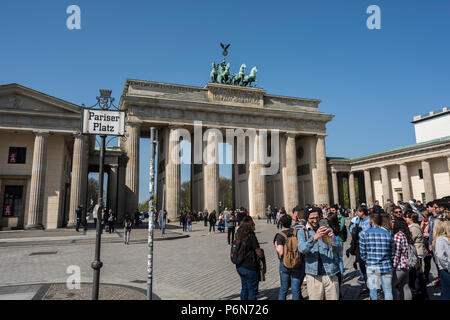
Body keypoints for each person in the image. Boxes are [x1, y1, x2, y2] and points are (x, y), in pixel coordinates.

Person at [297, 207, 340, 300]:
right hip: (313, 275)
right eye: (312, 218)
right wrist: (314, 238)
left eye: (317, 217)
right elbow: (302, 249)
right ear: (307, 218)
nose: (315, 220)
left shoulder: (326, 229)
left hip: (330, 273)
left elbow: (338, 250)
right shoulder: (302, 232)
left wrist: (331, 240)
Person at [359, 212, 394, 300]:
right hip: (386, 265)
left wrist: (367, 260)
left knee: (373, 290)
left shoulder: (364, 234)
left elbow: (362, 252)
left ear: (371, 221)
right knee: (388, 291)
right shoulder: (387, 234)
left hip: (372, 265)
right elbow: (392, 252)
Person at [274, 214, 305, 300]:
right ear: (291, 222)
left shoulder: (280, 235)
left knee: (284, 288)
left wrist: (276, 245)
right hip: (297, 262)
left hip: (285, 264)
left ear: (281, 223)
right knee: (296, 289)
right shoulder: (297, 232)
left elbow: (281, 252)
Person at [235, 216, 263, 300]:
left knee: (244, 287)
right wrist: (261, 256)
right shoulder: (251, 236)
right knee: (252, 290)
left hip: (240, 266)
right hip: (250, 267)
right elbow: (258, 251)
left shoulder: (238, 234)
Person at [406, 211, 427, 297]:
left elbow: (411, 239)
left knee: (417, 273)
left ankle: (419, 291)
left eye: (407, 217)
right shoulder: (414, 226)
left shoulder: (414, 228)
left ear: (411, 218)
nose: (406, 219)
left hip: (417, 251)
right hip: (417, 250)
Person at [392, 216, 413, 300]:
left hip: (399, 266)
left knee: (392, 286)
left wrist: (393, 266)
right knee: (405, 286)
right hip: (406, 264)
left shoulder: (397, 235)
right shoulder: (405, 235)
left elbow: (397, 253)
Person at [432, 219, 450, 300]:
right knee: (446, 293)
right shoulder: (442, 239)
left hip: (446, 269)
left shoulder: (441, 239)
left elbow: (440, 255)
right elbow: (440, 255)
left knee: (446, 293)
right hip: (446, 269)